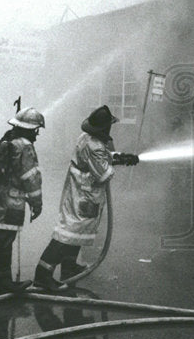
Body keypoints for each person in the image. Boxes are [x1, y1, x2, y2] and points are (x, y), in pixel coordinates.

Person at [32, 105, 138, 292]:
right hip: (83, 194)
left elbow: (100, 157)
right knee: (68, 233)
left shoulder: (87, 137)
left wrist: (120, 157)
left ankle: (69, 267)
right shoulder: (94, 145)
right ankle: (42, 274)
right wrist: (116, 163)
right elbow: (104, 175)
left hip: (81, 190)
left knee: (77, 232)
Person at [0, 107, 45, 293]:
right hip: (11, 203)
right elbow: (31, 177)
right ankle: (3, 283)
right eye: (36, 130)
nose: (37, 134)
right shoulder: (25, 146)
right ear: (30, 129)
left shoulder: (6, 142)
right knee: (4, 243)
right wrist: (37, 203)